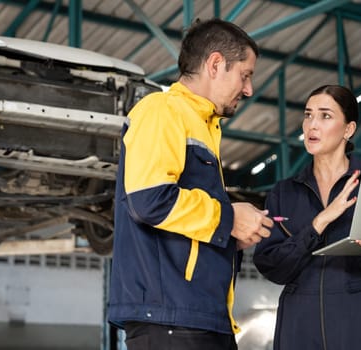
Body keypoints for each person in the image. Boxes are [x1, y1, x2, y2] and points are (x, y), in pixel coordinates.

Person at [108, 18, 274, 350]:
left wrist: (229, 236)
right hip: (171, 318)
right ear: (215, 64)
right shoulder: (162, 111)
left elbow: (186, 224)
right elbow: (149, 199)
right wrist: (229, 219)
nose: (248, 90)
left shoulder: (202, 126)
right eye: (245, 75)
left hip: (200, 316)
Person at [253, 85, 361, 350]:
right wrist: (319, 223)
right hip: (299, 326)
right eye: (308, 115)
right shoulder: (284, 192)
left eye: (325, 116)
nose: (311, 125)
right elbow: (272, 267)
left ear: (349, 129)